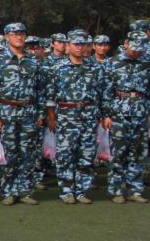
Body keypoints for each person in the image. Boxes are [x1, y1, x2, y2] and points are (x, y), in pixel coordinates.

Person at [45, 33, 108, 204]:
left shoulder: (95, 68)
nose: (80, 47)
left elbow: (102, 94)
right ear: (68, 45)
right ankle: (67, 191)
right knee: (65, 154)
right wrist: (51, 116)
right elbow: (49, 94)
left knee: (86, 154)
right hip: (66, 115)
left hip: (88, 115)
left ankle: (81, 191)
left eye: (83, 44)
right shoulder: (57, 68)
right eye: (76, 44)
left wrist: (104, 115)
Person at [0, 23, 43, 206]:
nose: (19, 37)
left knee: (28, 153)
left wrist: (40, 113)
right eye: (14, 34)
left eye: (22, 34)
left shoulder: (33, 61)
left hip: (29, 111)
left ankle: (25, 190)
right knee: (9, 153)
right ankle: (9, 190)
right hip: (6, 112)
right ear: (7, 37)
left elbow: (40, 89)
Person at [103, 32, 150, 203]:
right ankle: (117, 190)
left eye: (140, 49)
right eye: (134, 48)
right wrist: (107, 114)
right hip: (119, 112)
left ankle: (135, 190)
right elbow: (106, 91)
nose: (136, 52)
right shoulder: (112, 63)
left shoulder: (146, 64)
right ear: (126, 43)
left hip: (140, 112)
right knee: (118, 153)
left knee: (138, 152)